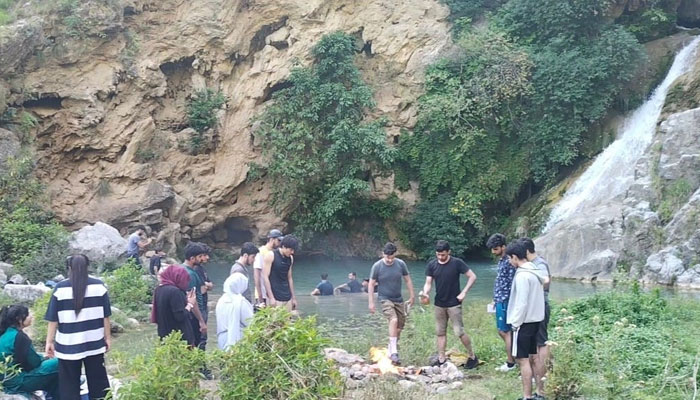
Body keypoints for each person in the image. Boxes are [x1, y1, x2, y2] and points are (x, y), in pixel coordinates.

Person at [45, 254, 111, 400]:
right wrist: (107, 338)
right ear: (88, 267)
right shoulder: (99, 286)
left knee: (68, 386)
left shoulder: (60, 288)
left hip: (68, 344)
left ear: (69, 268)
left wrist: (49, 342)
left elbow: (53, 319)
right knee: (99, 384)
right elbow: (105, 316)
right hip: (94, 342)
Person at [420, 240, 478, 369]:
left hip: (454, 303)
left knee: (459, 331)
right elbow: (428, 282)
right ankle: (441, 359)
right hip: (439, 303)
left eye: (443, 255)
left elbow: (472, 276)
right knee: (440, 332)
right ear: (436, 253)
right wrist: (425, 293)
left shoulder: (457, 263)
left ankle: (472, 356)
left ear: (449, 252)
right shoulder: (432, 265)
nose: (441, 257)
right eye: (439, 255)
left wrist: (464, 292)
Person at [505, 241, 546, 400]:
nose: (509, 261)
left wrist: (515, 323)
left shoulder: (522, 275)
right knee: (534, 357)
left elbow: (521, 303)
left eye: (510, 258)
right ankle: (540, 393)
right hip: (536, 320)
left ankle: (527, 396)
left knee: (523, 360)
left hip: (524, 323)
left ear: (515, 257)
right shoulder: (536, 271)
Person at [368, 242, 415, 366]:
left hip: (398, 299)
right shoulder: (377, 266)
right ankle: (394, 352)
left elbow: (408, 280)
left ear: (395, 255)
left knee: (399, 327)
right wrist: (371, 302)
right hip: (384, 298)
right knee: (393, 320)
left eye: (391, 257)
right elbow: (371, 284)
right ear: (383, 254)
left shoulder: (401, 264)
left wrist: (412, 296)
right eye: (387, 257)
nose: (389, 260)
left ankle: (390, 350)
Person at [0, 305, 60, 399]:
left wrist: (43, 358)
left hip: (7, 381)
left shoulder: (5, 334)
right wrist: (45, 358)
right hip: (18, 383)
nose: (31, 316)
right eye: (28, 315)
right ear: (19, 319)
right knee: (59, 362)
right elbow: (34, 363)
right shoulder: (20, 337)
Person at [521, 237, 552, 387]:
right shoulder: (532, 264)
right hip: (535, 306)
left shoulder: (539, 263)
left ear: (527, 251)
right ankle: (538, 373)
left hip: (540, 306)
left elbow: (546, 280)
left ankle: (544, 374)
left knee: (541, 342)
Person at [487, 233, 517, 372]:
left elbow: (511, 283)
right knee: (503, 331)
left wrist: (505, 299)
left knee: (505, 331)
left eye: (495, 249)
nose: (493, 252)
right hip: (500, 299)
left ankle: (511, 362)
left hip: (505, 300)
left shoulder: (510, 262)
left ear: (503, 247)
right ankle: (514, 358)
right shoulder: (502, 260)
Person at [151, 265, 196, 346]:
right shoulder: (175, 292)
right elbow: (180, 316)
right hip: (180, 338)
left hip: (164, 335)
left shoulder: (159, 289)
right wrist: (190, 304)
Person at [216, 273, 254, 350]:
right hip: (237, 339)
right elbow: (251, 322)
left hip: (222, 338)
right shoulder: (241, 302)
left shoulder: (221, 301)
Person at [182, 243, 208, 350]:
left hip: (189, 314)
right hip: (195, 314)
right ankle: (201, 366)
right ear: (192, 258)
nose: (203, 259)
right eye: (200, 256)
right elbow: (193, 299)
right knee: (199, 342)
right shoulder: (190, 274)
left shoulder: (182, 269)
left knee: (190, 342)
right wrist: (201, 320)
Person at [263, 235, 299, 310]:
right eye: (291, 250)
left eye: (293, 250)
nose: (292, 252)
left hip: (287, 296)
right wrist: (271, 297)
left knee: (288, 321)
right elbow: (265, 277)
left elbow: (289, 278)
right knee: (275, 321)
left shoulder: (290, 258)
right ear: (283, 246)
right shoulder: (271, 255)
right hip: (275, 297)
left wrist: (293, 298)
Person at [253, 229, 283, 306]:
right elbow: (256, 275)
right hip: (263, 295)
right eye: (278, 240)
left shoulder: (275, 253)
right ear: (272, 239)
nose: (280, 243)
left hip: (272, 294)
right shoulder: (261, 252)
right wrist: (260, 297)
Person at [193, 243, 213, 351]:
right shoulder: (196, 270)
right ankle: (200, 366)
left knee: (203, 336)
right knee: (201, 336)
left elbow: (210, 285)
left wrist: (207, 285)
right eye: (204, 255)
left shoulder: (202, 269)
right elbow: (201, 289)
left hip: (204, 306)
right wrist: (206, 285)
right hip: (199, 307)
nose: (207, 258)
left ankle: (201, 364)